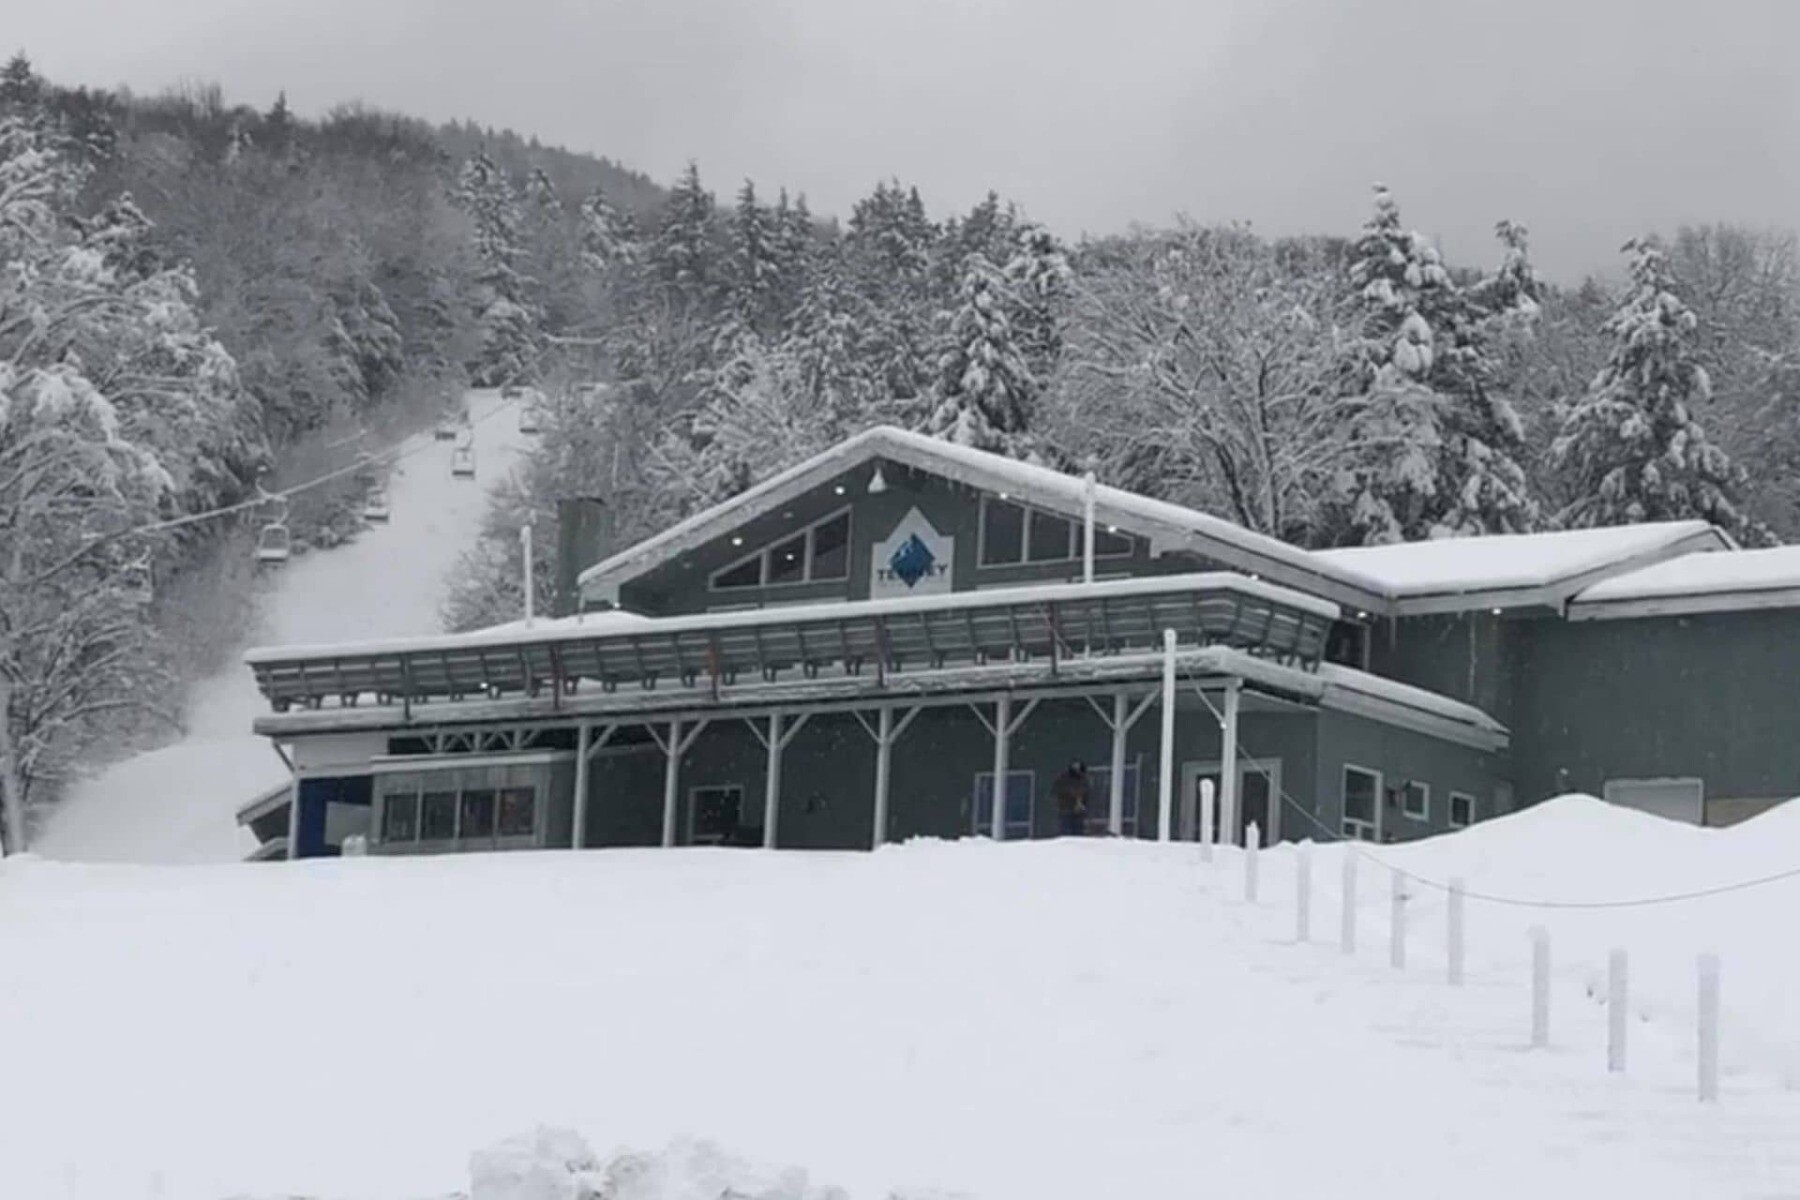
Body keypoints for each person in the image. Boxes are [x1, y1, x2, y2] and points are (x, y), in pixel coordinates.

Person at [1052, 760, 1090, 837]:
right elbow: (1056, 790)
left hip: (1079, 811)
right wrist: (1070, 793)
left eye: (1078, 767)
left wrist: (1083, 802)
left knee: (1078, 834)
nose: (1077, 769)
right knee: (1066, 833)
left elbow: (1087, 793)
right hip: (1066, 810)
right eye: (1075, 766)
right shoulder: (1063, 778)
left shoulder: (1084, 779)